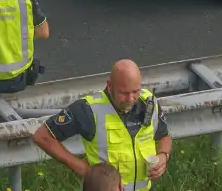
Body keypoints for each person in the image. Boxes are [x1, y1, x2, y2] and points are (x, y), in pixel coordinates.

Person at [33, 59, 172, 190]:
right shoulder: (88, 109)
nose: (130, 99)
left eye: (135, 91)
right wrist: (80, 167)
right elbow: (42, 136)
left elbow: (164, 136)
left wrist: (163, 155)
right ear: (109, 85)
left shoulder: (149, 103)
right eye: (124, 93)